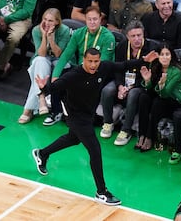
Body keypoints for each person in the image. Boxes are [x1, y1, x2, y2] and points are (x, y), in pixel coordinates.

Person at [33, 47, 158, 206]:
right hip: (74, 115)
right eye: (90, 61)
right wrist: (44, 88)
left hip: (88, 114)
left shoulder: (103, 67)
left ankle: (42, 154)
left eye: (96, 61)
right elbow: (55, 87)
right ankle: (102, 192)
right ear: (84, 60)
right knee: (95, 150)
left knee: (73, 139)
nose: (93, 65)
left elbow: (123, 65)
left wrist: (143, 61)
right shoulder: (73, 75)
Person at [43, 6, 116, 126]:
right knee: (60, 77)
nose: (92, 22)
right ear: (85, 20)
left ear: (100, 20)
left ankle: (79, 116)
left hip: (100, 72)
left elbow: (103, 63)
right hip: (81, 69)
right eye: (89, 19)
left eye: (95, 19)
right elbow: (66, 55)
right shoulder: (79, 33)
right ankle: (56, 112)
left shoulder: (108, 37)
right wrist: (55, 76)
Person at [99, 20, 155, 145]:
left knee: (133, 93)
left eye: (139, 35)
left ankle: (126, 130)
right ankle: (108, 122)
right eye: (133, 36)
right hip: (123, 80)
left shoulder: (151, 49)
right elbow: (118, 69)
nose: (137, 39)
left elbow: (150, 74)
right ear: (127, 37)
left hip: (140, 83)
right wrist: (120, 86)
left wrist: (130, 87)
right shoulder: (122, 46)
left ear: (143, 34)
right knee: (107, 90)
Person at [18, 8, 71, 124]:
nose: (47, 23)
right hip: (43, 58)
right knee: (39, 62)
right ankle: (41, 97)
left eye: (51, 21)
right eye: (45, 19)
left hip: (59, 60)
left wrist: (51, 39)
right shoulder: (37, 30)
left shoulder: (64, 30)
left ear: (57, 22)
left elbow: (58, 54)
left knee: (37, 72)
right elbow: (41, 53)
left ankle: (28, 110)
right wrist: (44, 36)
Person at [137, 42, 181, 152]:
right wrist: (147, 80)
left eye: (167, 54)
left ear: (171, 56)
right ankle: (141, 135)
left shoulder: (177, 71)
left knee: (158, 102)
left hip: (174, 100)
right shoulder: (155, 65)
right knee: (143, 97)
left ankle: (150, 137)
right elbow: (149, 88)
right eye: (161, 54)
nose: (164, 57)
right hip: (159, 96)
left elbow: (166, 93)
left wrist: (162, 84)